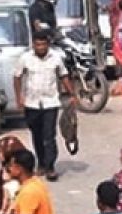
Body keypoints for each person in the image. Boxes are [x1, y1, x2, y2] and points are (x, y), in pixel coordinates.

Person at [14, 31, 76, 182]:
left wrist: (72, 94)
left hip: (50, 102)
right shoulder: (25, 58)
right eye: (37, 44)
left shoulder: (56, 58)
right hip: (32, 103)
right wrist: (19, 98)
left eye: (43, 44)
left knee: (49, 136)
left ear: (48, 44)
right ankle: (41, 163)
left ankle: (50, 167)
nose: (40, 47)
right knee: (37, 135)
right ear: (33, 44)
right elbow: (17, 77)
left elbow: (63, 76)